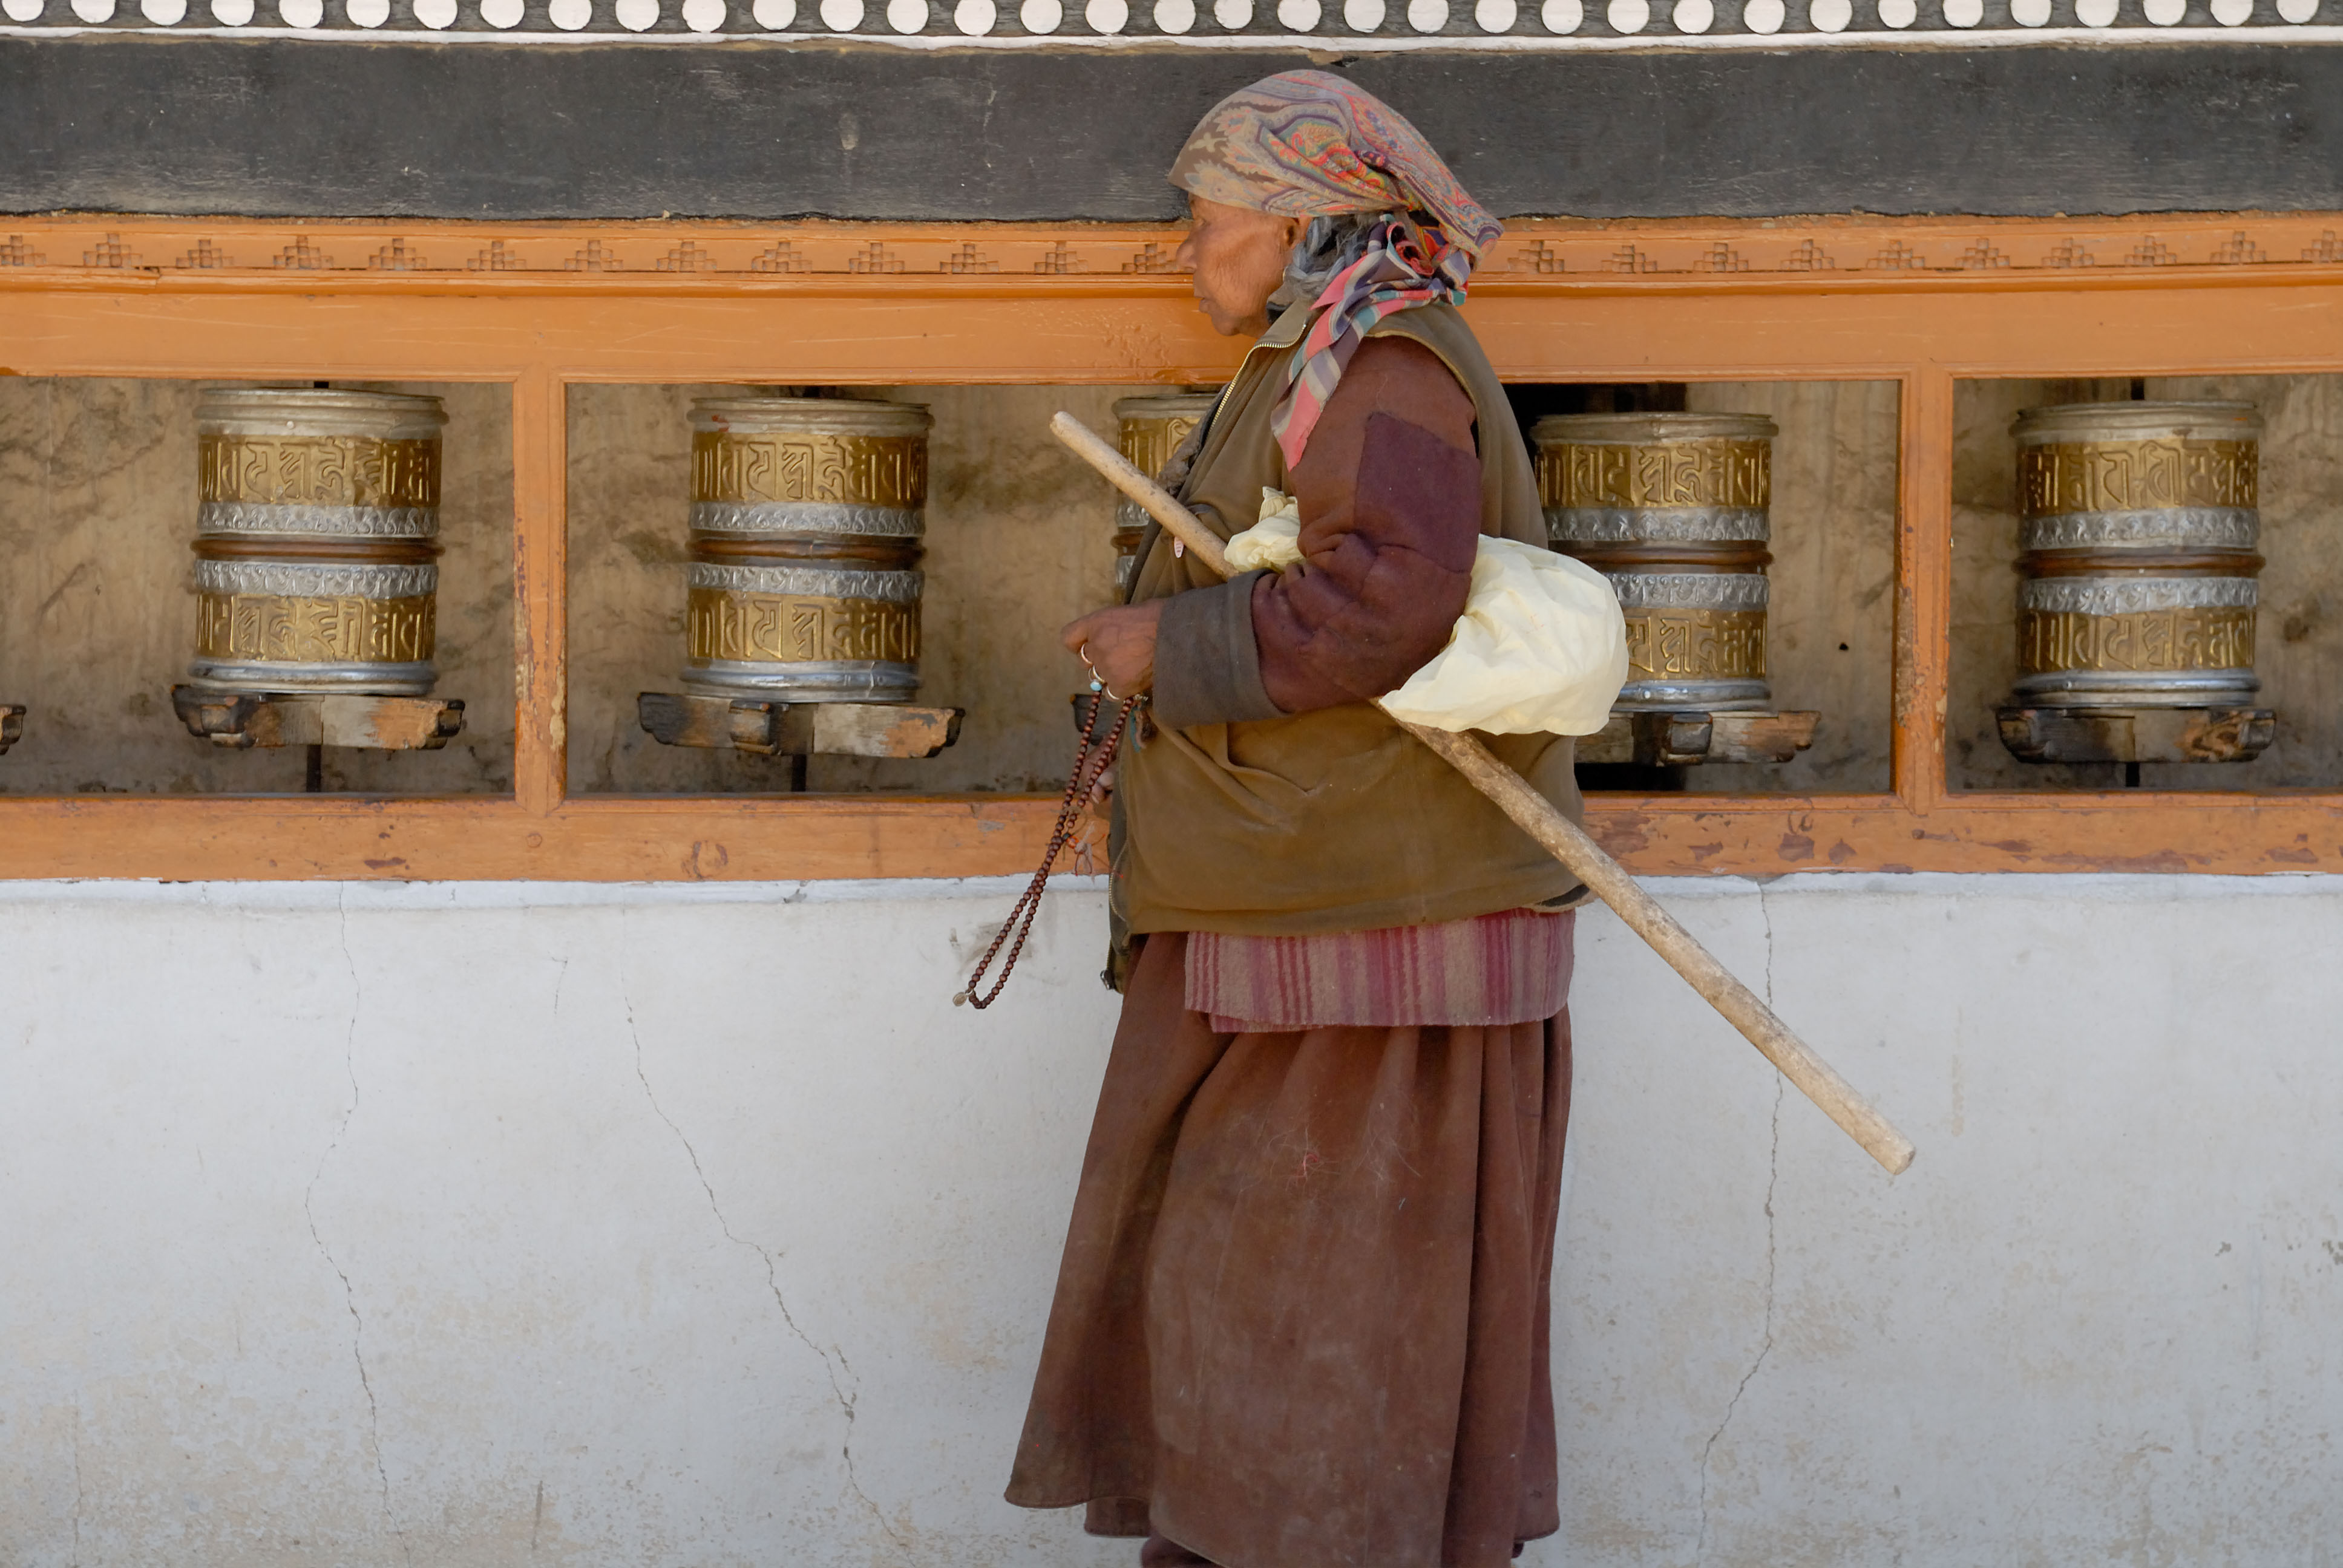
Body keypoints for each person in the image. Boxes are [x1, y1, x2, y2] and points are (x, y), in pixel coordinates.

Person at [1006, 70, 1603, 1568]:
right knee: (1246, 1310)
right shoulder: (1318, 365)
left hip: (1356, 960)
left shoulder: (1386, 368)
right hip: (1294, 920)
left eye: (1207, 222)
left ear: (1294, 227)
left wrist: (1174, 650)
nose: (1187, 252)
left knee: (1309, 1317)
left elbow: (1388, 597)